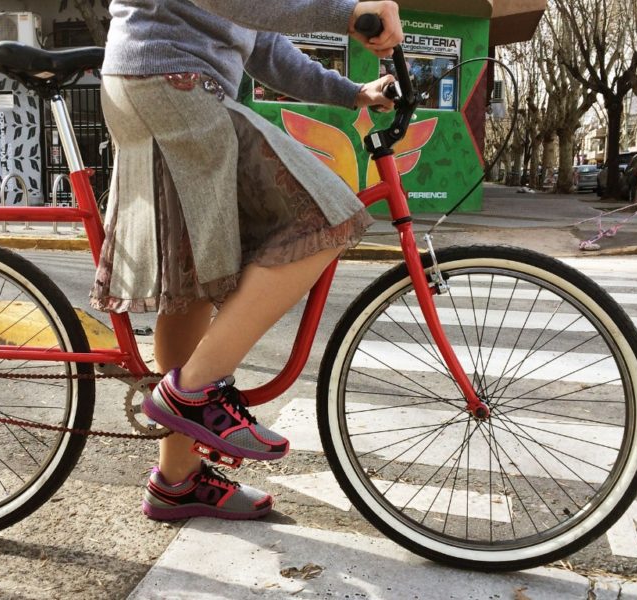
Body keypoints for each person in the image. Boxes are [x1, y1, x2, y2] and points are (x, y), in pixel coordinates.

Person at [91, 0, 405, 521]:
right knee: (327, 219)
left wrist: (352, 92)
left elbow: (264, 44)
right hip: (172, 77)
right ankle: (194, 392)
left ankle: (176, 481)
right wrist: (347, 13)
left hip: (157, 78)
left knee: (188, 280)